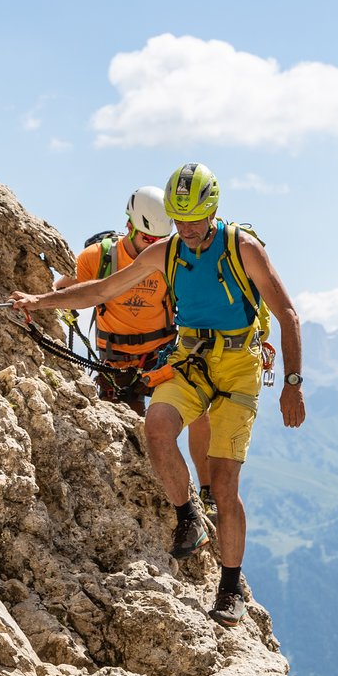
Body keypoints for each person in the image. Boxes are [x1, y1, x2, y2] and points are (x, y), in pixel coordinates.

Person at [11, 162, 305, 627]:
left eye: (194, 218)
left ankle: (229, 589)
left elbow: (287, 313)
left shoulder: (241, 248)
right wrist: (38, 302)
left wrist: (292, 384)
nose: (186, 229)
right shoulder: (167, 251)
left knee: (226, 484)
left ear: (212, 210)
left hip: (238, 367)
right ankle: (187, 514)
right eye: (179, 218)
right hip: (190, 358)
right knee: (157, 428)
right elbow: (103, 290)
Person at [53, 186, 215, 511]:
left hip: (161, 354)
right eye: (147, 240)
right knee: (136, 435)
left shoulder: (172, 259)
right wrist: (49, 299)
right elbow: (72, 290)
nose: (153, 248)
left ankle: (208, 489)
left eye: (160, 242)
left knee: (200, 408)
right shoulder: (97, 259)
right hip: (117, 364)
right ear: (129, 227)